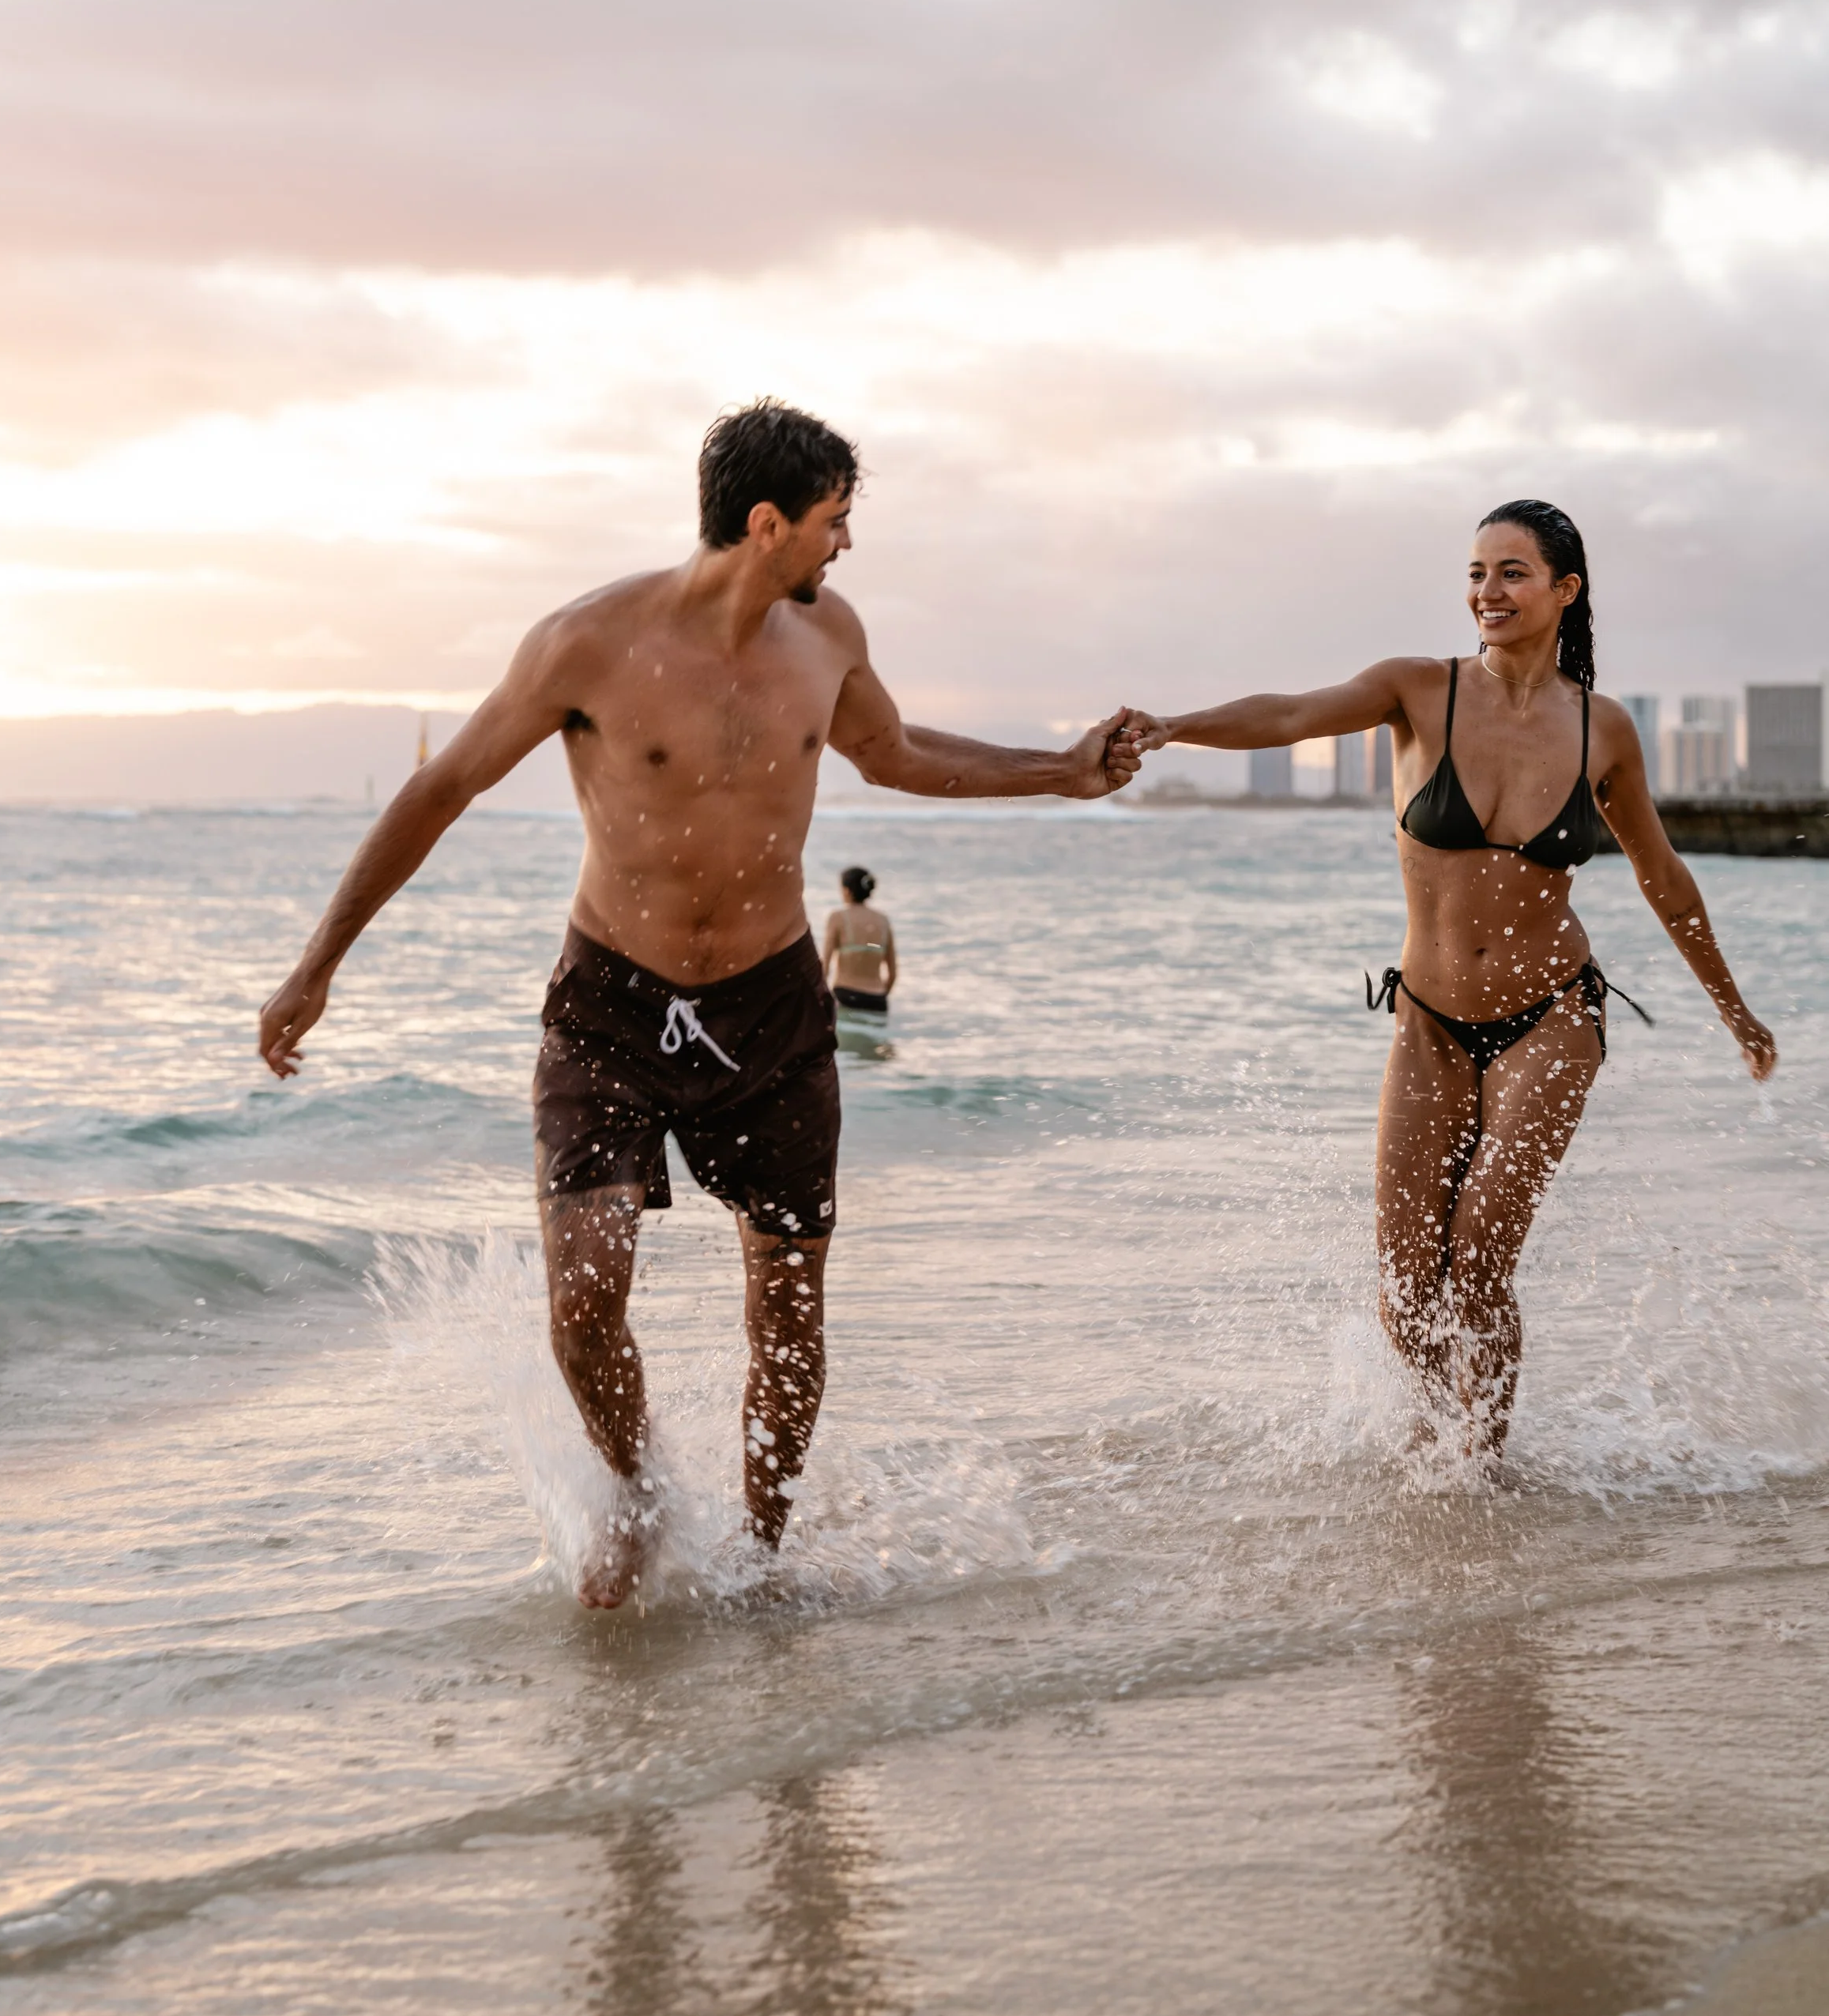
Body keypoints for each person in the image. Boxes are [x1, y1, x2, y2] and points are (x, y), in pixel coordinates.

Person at [259, 399, 1142, 1603]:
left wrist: (1061, 774)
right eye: (834, 521)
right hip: (612, 1002)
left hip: (771, 1005)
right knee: (582, 1295)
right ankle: (634, 1492)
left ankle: (763, 1552)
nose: (845, 545)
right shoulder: (586, 641)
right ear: (768, 521)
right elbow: (445, 786)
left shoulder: (827, 636)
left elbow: (890, 754)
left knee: (787, 1302)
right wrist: (318, 964)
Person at [1131, 499, 1776, 1471]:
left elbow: (1663, 878)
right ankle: (1438, 1453)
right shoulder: (1412, 690)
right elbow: (1291, 714)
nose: (1487, 592)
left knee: (1477, 1263)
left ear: (1565, 590)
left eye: (1512, 573)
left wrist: (1736, 1014)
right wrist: (1171, 727)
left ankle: (1481, 1471)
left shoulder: (1603, 729)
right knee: (1405, 1284)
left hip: (1553, 1015)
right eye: (1476, 573)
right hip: (1429, 1020)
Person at [822, 867, 896, 1015]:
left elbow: (825, 967)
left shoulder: (838, 918)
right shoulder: (883, 921)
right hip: (877, 1001)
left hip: (846, 996)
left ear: (847, 891)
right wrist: (880, 995)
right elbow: (893, 973)